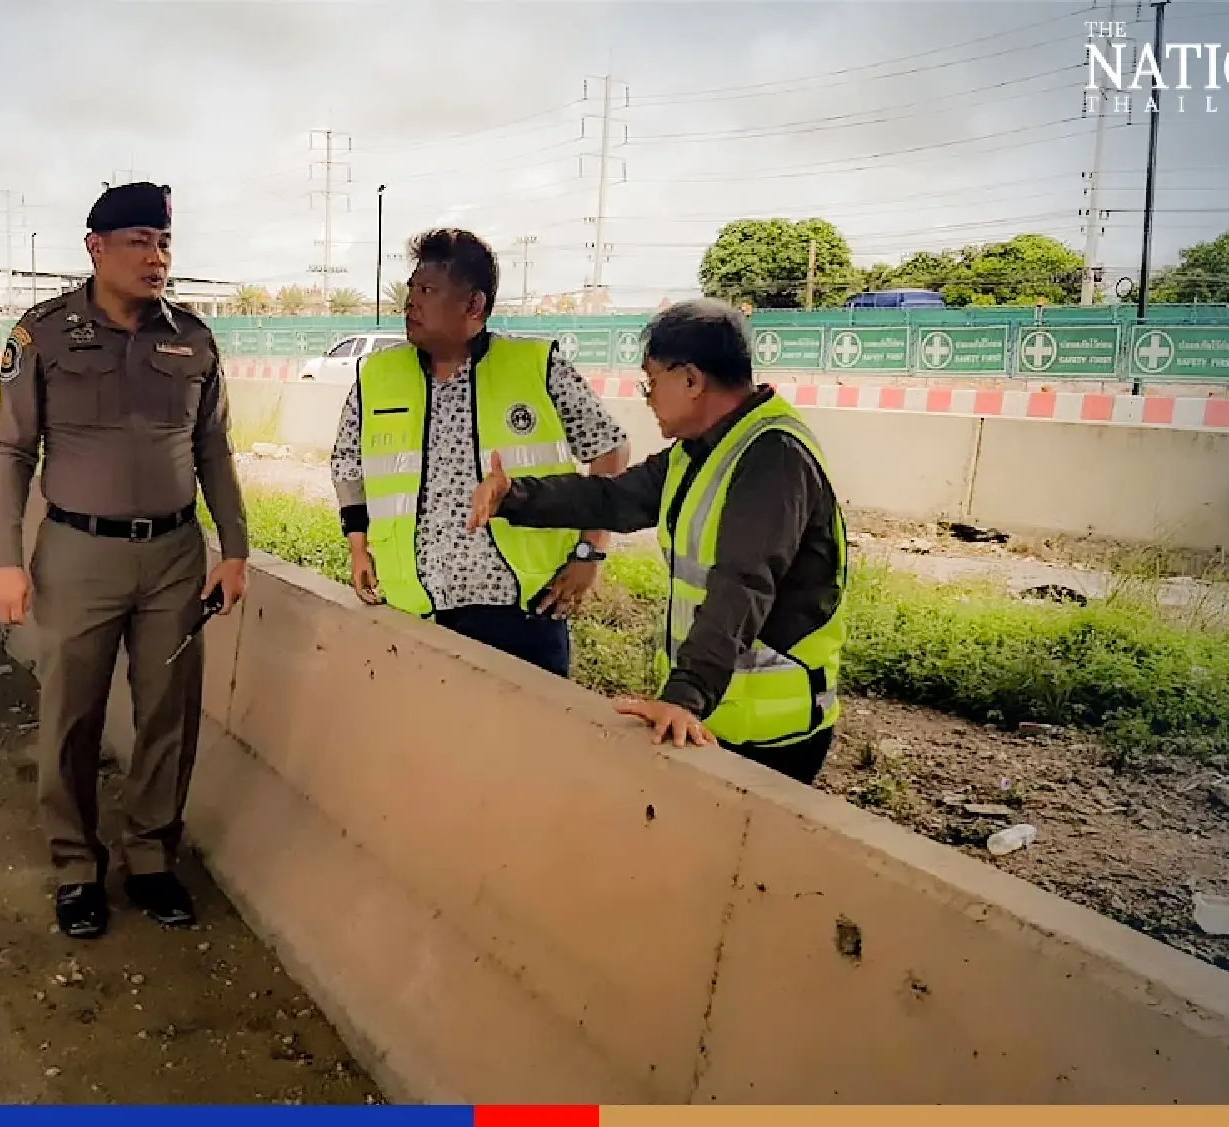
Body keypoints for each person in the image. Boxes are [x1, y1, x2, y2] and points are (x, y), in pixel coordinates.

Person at [0, 182, 249, 939]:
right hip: (76, 552)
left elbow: (213, 449)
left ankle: (152, 857)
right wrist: (7, 559)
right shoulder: (42, 335)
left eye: (163, 243)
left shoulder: (193, 338)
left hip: (173, 554)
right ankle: (75, 866)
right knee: (71, 713)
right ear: (95, 247)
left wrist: (235, 547)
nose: (155, 257)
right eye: (138, 241)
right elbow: (9, 451)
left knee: (169, 712)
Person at [467, 298, 849, 785]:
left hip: (770, 730)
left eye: (651, 383)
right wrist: (513, 496)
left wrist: (684, 694)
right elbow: (613, 499)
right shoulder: (699, 452)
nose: (648, 398)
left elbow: (742, 587)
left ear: (690, 380)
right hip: (717, 714)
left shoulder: (772, 459)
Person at [330, 227, 630, 677]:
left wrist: (590, 552)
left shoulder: (536, 368)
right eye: (411, 289)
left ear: (474, 305)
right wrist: (358, 548)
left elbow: (610, 452)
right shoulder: (377, 376)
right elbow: (347, 466)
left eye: (427, 290)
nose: (410, 302)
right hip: (415, 609)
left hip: (523, 614)